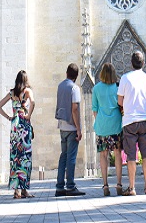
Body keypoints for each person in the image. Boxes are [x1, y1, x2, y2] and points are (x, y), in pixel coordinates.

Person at [117, 51, 146, 196]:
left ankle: (132, 188)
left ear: (131, 63)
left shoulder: (125, 78)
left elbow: (120, 101)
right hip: (145, 119)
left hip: (130, 121)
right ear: (143, 63)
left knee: (131, 155)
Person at [0, 70, 35, 199]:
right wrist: (28, 115)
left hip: (15, 125)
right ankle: (24, 190)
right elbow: (33, 103)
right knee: (25, 157)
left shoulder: (12, 93)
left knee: (15, 157)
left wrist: (9, 117)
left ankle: (16, 191)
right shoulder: (27, 91)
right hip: (24, 124)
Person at [92, 62, 123, 196]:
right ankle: (119, 184)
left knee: (103, 155)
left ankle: (105, 185)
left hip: (102, 126)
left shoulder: (96, 88)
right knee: (117, 154)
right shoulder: (117, 87)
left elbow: (94, 110)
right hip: (116, 125)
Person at [55, 63, 85, 197]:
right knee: (71, 157)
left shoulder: (60, 86)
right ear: (76, 76)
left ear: (66, 73)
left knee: (63, 156)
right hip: (71, 127)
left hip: (62, 125)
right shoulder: (74, 88)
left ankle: (60, 186)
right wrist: (79, 129)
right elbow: (74, 109)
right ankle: (71, 186)